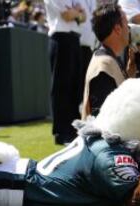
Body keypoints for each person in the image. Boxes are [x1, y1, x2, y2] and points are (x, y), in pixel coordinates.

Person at [81, 2, 136, 119]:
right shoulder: (103, 66)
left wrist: (129, 73)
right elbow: (101, 119)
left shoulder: (109, 58)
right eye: (126, 23)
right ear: (117, 29)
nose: (130, 28)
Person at [44, 0, 86, 145]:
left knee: (75, 86)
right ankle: (61, 132)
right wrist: (77, 13)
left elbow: (84, 17)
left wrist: (77, 13)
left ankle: (73, 130)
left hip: (75, 39)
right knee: (61, 86)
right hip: (60, 38)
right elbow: (68, 15)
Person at [78, 0, 97, 109]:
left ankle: (85, 112)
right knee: (78, 84)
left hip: (90, 45)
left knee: (88, 83)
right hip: (77, 43)